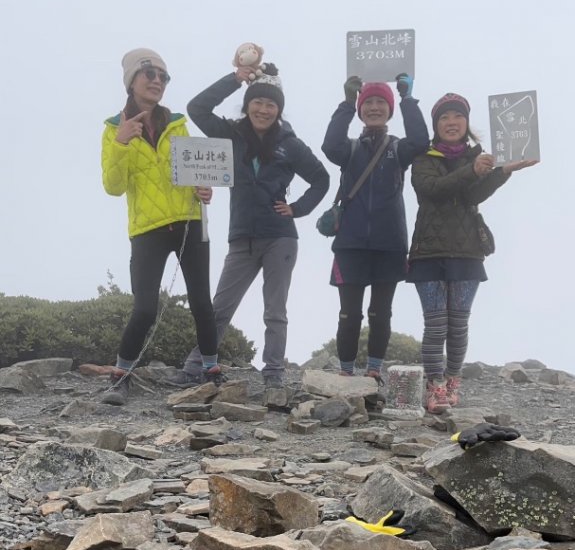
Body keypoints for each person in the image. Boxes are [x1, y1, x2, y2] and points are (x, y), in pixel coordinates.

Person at [177, 60, 330, 388]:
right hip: (242, 236)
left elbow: (321, 178)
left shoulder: (290, 142)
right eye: (257, 102)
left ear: (279, 109)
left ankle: (273, 373)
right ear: (247, 105)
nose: (263, 109)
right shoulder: (230, 134)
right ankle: (196, 366)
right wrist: (236, 79)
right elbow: (197, 107)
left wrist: (297, 208)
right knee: (220, 307)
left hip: (280, 237)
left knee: (275, 310)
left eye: (271, 104)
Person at [101, 48, 218, 405]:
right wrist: (121, 143)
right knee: (145, 308)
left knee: (202, 301)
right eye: (149, 73)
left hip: (189, 221)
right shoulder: (112, 130)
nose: (157, 81)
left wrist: (204, 186)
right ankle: (120, 377)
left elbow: (198, 169)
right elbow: (113, 186)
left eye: (163, 76)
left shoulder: (178, 123)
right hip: (147, 227)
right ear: (131, 81)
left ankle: (212, 372)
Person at [408, 93, 538, 413]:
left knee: (459, 323)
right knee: (435, 324)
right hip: (429, 252)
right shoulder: (423, 157)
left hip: (467, 251)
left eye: (457, 117)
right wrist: (474, 170)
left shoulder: (477, 156)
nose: (451, 123)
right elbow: (433, 191)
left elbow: (473, 195)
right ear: (436, 125)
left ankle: (453, 382)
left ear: (466, 123)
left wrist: (504, 170)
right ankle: (435, 386)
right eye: (444, 118)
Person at [321, 73, 429, 388]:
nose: (374, 107)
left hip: (389, 243)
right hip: (350, 243)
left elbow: (421, 141)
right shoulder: (350, 149)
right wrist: (345, 103)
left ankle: (373, 370)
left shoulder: (399, 149)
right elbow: (329, 145)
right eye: (368, 101)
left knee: (381, 313)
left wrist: (408, 99)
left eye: (381, 102)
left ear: (390, 109)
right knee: (349, 314)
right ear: (360, 107)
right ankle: (345, 371)